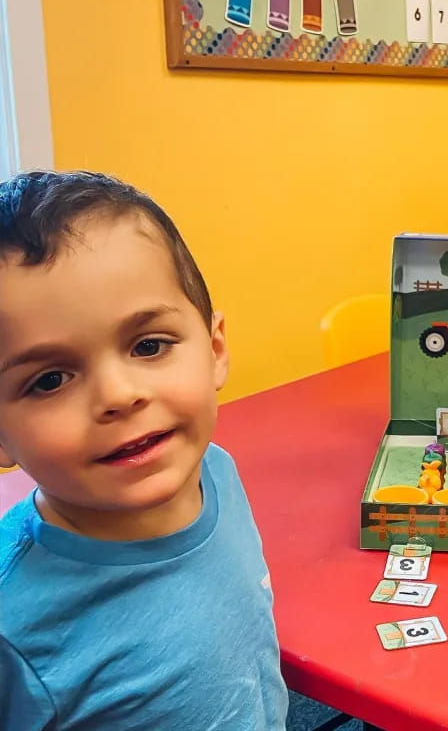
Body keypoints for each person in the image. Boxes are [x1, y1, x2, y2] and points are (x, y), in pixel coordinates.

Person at [0, 171, 288, 729]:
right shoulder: (14, 625)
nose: (119, 396)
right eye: (50, 380)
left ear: (215, 347)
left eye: (148, 345)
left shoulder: (215, 471)